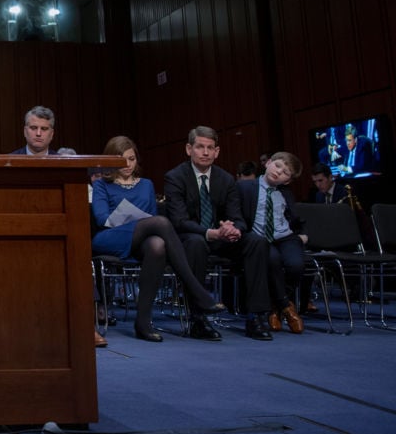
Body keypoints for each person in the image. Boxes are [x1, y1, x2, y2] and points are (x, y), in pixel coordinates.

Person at [91, 136, 224, 342]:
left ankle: (142, 323)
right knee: (161, 223)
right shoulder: (102, 185)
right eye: (122, 159)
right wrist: (135, 223)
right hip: (110, 237)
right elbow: (101, 218)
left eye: (132, 159)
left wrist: (143, 225)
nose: (127, 165)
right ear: (111, 160)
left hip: (141, 238)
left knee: (158, 244)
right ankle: (195, 289)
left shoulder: (146, 184)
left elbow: (151, 216)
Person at [163, 126, 273, 341]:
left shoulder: (226, 179)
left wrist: (233, 228)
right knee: (196, 243)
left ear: (217, 152)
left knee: (256, 242)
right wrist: (210, 233)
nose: (205, 152)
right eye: (200, 147)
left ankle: (255, 317)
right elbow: (179, 221)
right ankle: (198, 319)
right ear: (189, 149)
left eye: (210, 148)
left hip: (221, 237)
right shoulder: (175, 177)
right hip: (190, 237)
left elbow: (239, 218)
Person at [238, 151, 307, 335]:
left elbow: (294, 218)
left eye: (285, 172)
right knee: (273, 261)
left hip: (285, 236)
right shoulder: (246, 187)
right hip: (260, 238)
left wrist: (301, 234)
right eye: (277, 166)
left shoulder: (285, 193)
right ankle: (286, 306)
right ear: (268, 163)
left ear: (288, 180)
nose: (279, 172)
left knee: (296, 265)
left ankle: (276, 306)